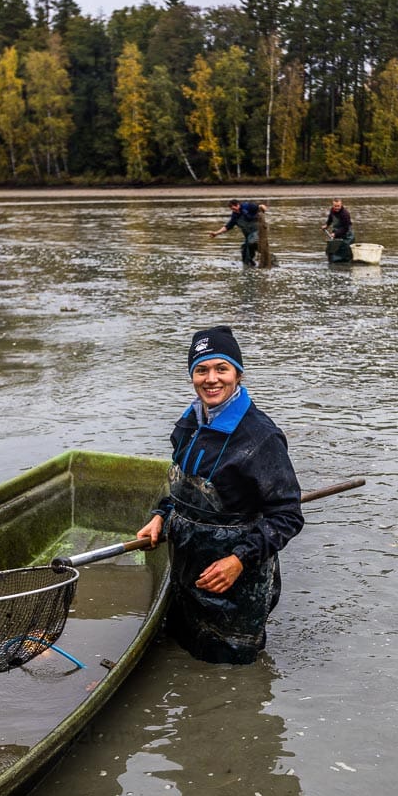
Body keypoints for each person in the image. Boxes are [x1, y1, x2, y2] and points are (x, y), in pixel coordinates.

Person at [136, 326, 304, 664]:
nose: (211, 379)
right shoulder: (188, 424)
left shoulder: (261, 438)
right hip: (186, 571)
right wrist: (161, 515)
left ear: (237, 374)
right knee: (184, 656)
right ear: (191, 376)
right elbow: (180, 486)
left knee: (231, 672)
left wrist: (238, 560)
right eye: (201, 370)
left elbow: (287, 516)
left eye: (221, 368)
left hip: (235, 584)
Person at [210, 199, 267, 266]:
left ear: (238, 205)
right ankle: (249, 265)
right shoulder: (235, 216)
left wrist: (263, 207)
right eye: (232, 209)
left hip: (257, 231)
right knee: (244, 250)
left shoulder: (248, 206)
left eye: (234, 208)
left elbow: (262, 207)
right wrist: (216, 233)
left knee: (251, 242)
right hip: (248, 235)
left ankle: (265, 255)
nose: (234, 211)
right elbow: (227, 227)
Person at [322, 198, 355, 263]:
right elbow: (330, 218)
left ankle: (345, 262)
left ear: (341, 205)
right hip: (337, 232)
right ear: (333, 205)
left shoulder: (345, 214)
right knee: (334, 248)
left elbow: (345, 228)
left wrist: (335, 234)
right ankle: (334, 260)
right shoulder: (332, 210)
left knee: (345, 250)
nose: (336, 208)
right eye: (335, 206)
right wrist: (327, 225)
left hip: (347, 235)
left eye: (338, 206)